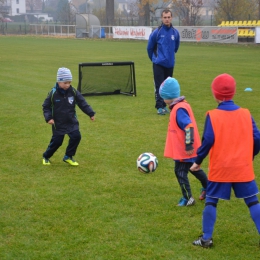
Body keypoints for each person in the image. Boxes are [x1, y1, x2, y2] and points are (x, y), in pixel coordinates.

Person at [191, 73, 260, 248]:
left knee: (211, 201)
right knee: (252, 202)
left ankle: (206, 239)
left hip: (220, 168)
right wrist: (250, 155)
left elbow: (207, 140)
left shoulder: (213, 115)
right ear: (234, 93)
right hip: (242, 167)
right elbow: (257, 137)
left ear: (214, 94)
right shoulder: (245, 114)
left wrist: (198, 161)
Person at [159, 77, 208, 206]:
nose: (163, 99)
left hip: (185, 150)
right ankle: (209, 188)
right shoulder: (181, 106)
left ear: (168, 96)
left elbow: (189, 126)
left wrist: (188, 144)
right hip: (188, 149)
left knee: (180, 172)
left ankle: (188, 198)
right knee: (194, 168)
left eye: (163, 97)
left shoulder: (179, 109)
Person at [42, 67, 95, 166]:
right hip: (58, 123)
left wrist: (90, 113)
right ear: (59, 82)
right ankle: (46, 156)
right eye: (65, 83)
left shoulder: (73, 91)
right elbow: (46, 106)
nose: (68, 85)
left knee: (76, 137)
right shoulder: (53, 93)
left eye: (69, 82)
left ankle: (68, 156)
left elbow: (82, 102)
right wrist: (49, 118)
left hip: (71, 121)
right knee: (57, 142)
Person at [147, 9, 180, 116]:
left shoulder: (175, 33)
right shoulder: (157, 33)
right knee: (159, 86)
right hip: (158, 64)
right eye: (165, 17)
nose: (167, 19)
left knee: (167, 86)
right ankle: (159, 107)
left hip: (170, 64)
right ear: (162, 18)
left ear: (171, 18)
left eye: (168, 17)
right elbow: (149, 48)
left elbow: (176, 47)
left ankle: (165, 106)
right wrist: (155, 59)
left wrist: (170, 57)